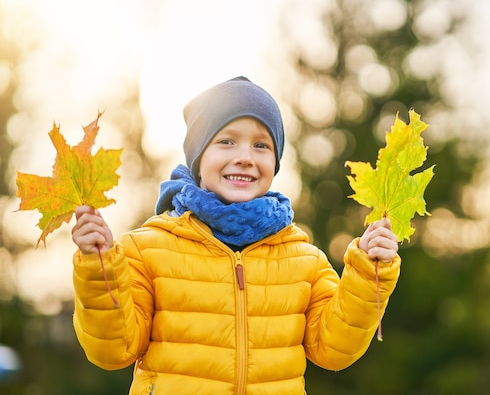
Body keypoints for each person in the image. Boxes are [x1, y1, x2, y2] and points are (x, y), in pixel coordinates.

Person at [71, 76, 400, 395]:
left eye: (261, 145)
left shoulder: (305, 260)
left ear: (275, 162)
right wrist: (98, 268)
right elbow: (113, 351)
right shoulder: (147, 250)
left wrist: (368, 271)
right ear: (199, 160)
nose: (245, 157)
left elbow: (335, 350)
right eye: (226, 141)